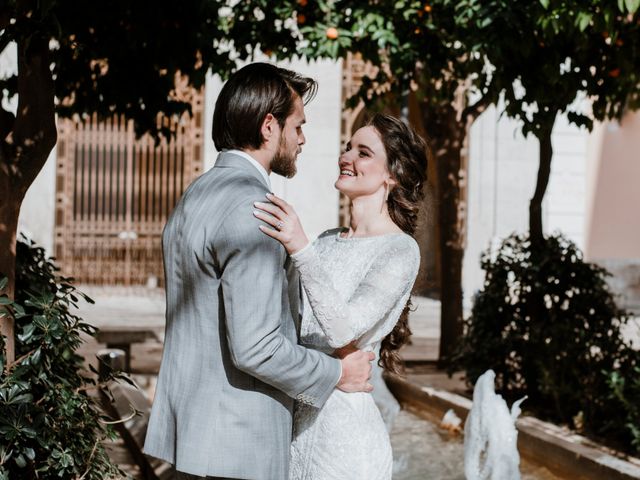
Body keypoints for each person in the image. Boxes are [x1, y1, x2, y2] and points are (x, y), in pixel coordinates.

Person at [143, 62, 375, 480]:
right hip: (239, 447)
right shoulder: (257, 212)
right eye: (298, 126)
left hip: (195, 440)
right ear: (270, 126)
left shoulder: (196, 193)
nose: (303, 139)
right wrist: (339, 372)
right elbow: (257, 347)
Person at [253, 113, 429, 479]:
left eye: (363, 152)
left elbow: (344, 328)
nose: (346, 157)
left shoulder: (400, 250)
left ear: (391, 175)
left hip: (345, 441)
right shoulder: (326, 241)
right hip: (297, 425)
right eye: (348, 147)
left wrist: (299, 247)